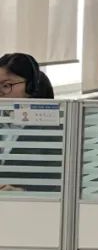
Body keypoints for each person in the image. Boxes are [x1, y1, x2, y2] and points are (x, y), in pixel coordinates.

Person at [0, 53, 59, 193]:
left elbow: (62, 182)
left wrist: (23, 191)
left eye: (6, 85)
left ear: (31, 87)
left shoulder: (55, 131)